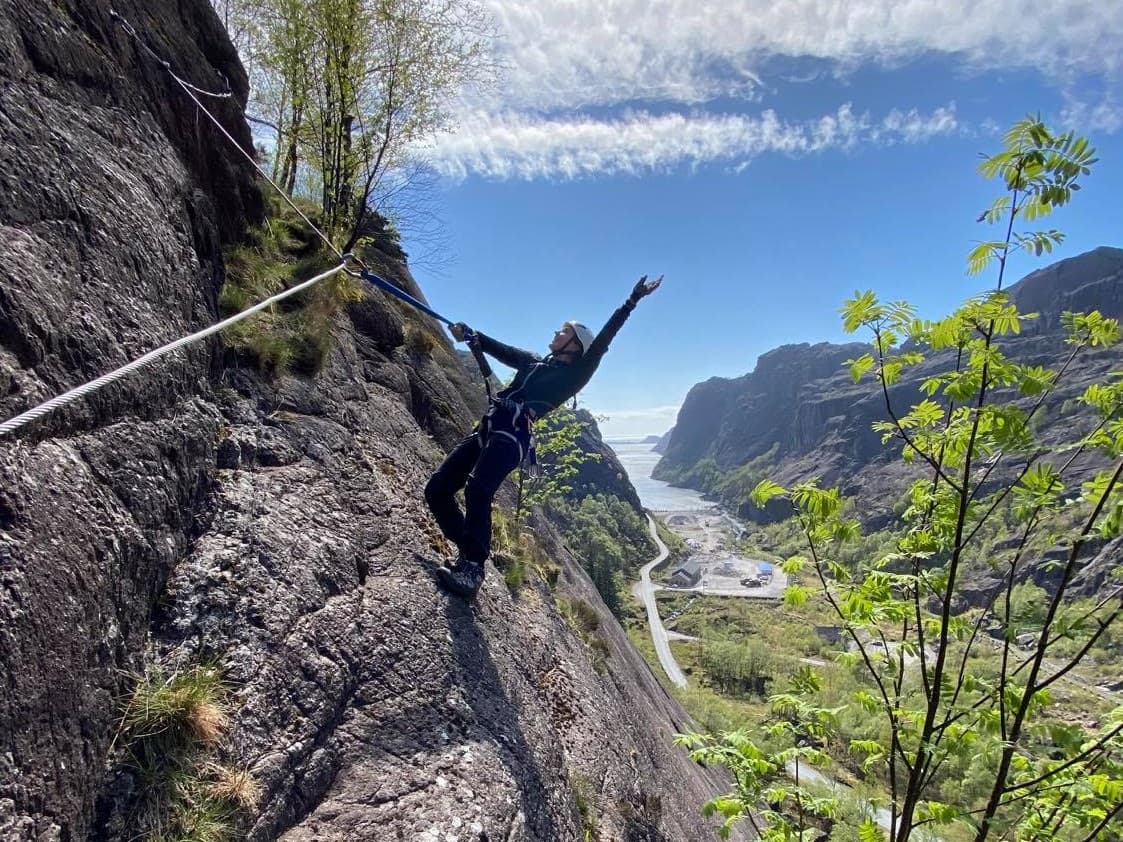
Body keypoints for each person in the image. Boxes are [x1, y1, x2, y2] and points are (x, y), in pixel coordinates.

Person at [425, 274, 663, 597]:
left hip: (513, 438)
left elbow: (605, 340)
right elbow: (497, 347)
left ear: (576, 345)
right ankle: (469, 547)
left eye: (564, 330)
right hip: (490, 428)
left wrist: (631, 302)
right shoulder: (533, 362)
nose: (556, 332)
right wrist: (470, 334)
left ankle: (473, 567)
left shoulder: (573, 376)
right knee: (437, 489)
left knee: (478, 489)